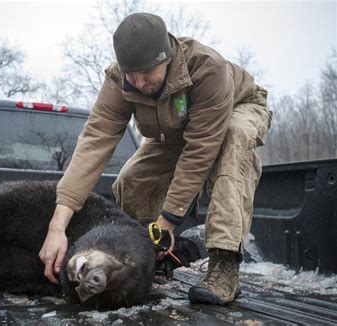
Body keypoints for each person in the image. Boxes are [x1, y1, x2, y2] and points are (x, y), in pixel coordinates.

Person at [39, 12, 272, 305]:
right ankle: (152, 259)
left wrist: (168, 221)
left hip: (237, 110)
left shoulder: (207, 69)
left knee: (233, 144)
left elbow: (200, 149)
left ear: (168, 58)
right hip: (176, 130)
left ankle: (224, 267)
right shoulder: (119, 81)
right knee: (132, 178)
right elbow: (93, 144)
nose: (138, 82)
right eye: (131, 75)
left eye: (147, 73)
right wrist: (57, 226)